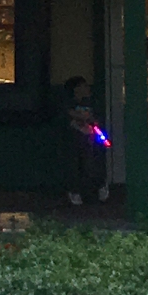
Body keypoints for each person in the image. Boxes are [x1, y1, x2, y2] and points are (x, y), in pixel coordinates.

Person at [64, 76, 110, 206]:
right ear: (76, 89)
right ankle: (75, 191)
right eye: (83, 86)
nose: (87, 88)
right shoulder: (68, 104)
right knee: (76, 164)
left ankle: (99, 186)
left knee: (93, 163)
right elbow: (67, 118)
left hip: (92, 139)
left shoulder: (92, 103)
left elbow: (96, 118)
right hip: (74, 141)